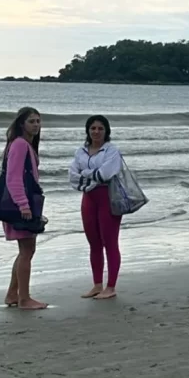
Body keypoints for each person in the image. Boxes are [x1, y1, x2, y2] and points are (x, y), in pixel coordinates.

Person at [69, 115, 124, 300]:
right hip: (88, 199)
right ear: (88, 130)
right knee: (94, 243)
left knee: (110, 242)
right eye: (93, 128)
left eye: (100, 128)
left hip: (108, 198)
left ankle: (111, 286)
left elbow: (106, 174)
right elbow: (72, 176)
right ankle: (97, 284)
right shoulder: (80, 151)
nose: (96, 131)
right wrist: (91, 177)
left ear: (106, 131)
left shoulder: (112, 151)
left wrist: (85, 174)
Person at [2, 107, 48, 310]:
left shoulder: (24, 144)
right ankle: (24, 299)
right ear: (22, 124)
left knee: (26, 250)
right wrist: (23, 205)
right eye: (31, 121)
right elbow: (13, 178)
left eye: (38, 121)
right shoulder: (20, 144)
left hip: (24, 204)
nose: (36, 125)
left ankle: (13, 294)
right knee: (27, 250)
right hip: (20, 205)